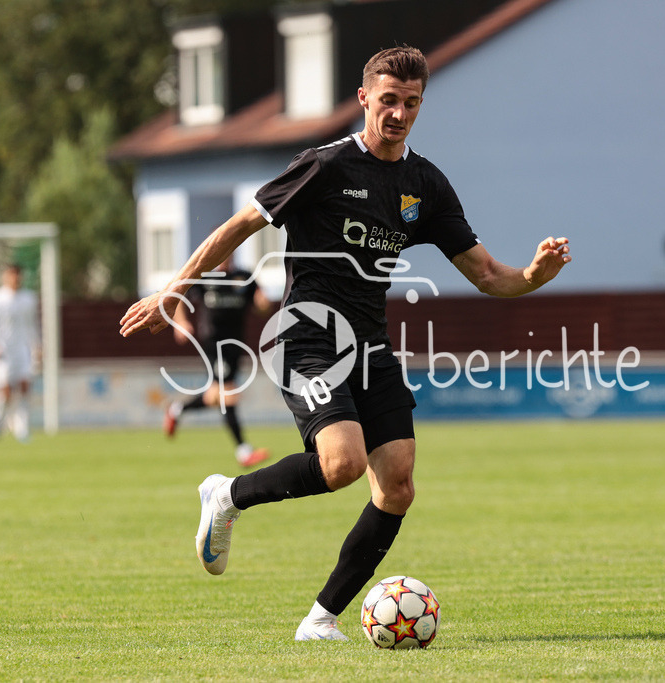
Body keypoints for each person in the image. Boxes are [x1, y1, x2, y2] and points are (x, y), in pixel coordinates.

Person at [119, 46, 571, 641]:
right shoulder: (325, 166)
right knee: (343, 464)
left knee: (398, 484)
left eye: (412, 103)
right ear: (364, 98)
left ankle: (320, 620)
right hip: (304, 336)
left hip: (369, 345)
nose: (399, 114)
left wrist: (534, 274)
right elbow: (238, 226)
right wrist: (174, 289)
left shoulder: (426, 185)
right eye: (389, 100)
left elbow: (488, 274)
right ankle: (227, 494)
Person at [164, 257, 274, 468]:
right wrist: (181, 323)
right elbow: (176, 293)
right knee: (228, 393)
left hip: (236, 344)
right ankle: (244, 451)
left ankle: (176, 409)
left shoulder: (244, 277)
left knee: (214, 396)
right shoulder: (206, 277)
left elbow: (261, 305)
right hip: (214, 343)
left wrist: (263, 304)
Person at [0, 263, 40, 442]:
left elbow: (31, 325)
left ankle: (22, 428)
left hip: (23, 350)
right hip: (3, 350)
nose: (15, 278)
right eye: (11, 275)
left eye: (17, 275)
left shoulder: (29, 298)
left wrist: (37, 346)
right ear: (4, 277)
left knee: (24, 386)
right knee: (5, 390)